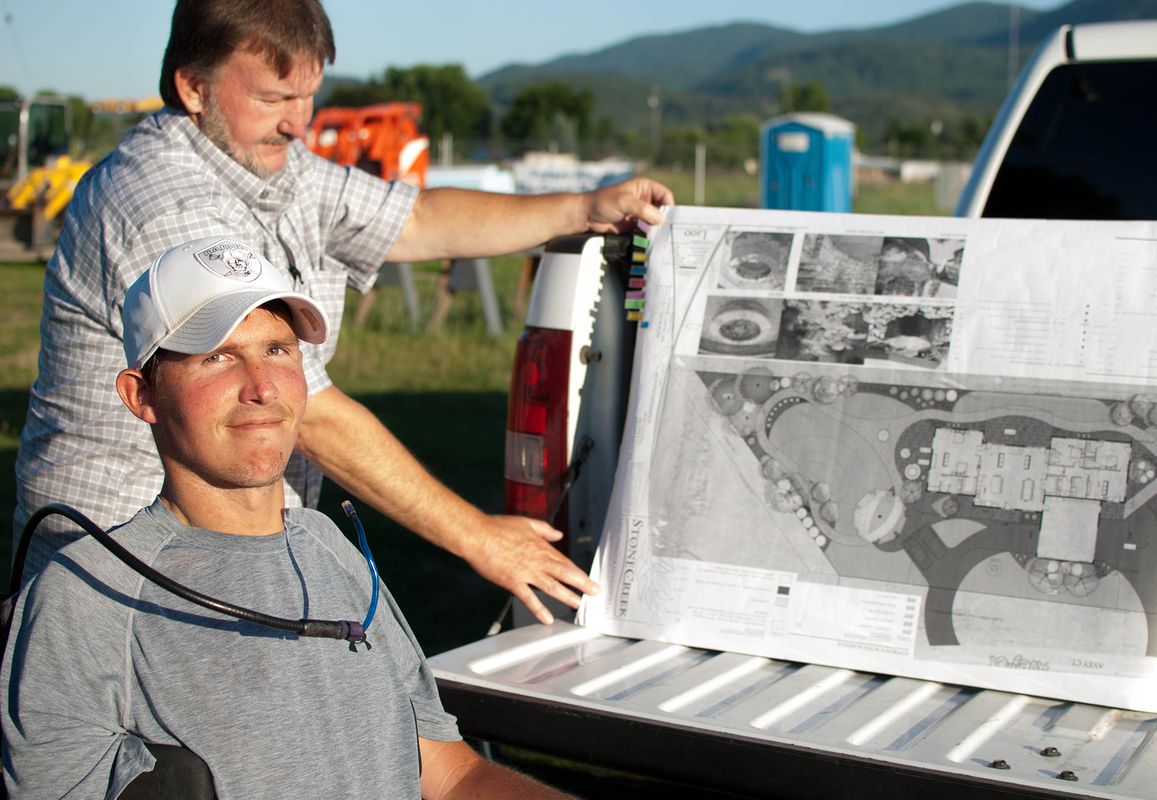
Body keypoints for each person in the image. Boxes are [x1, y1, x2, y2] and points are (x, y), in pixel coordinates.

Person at [13, 0, 675, 623]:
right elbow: (296, 408)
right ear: (193, 89)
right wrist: (480, 538)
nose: (298, 122)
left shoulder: (272, 163)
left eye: (307, 95)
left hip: (220, 547)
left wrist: (586, 208)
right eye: (273, 98)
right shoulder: (166, 205)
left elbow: (414, 218)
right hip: (122, 574)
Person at [2, 238, 575, 799]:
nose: (262, 388)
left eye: (277, 350)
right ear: (141, 395)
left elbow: (452, 776)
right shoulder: (86, 597)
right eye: (217, 357)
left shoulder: (332, 550)